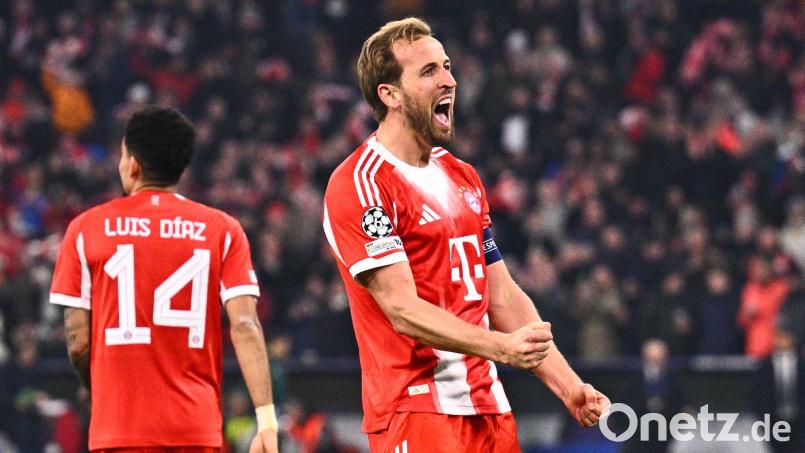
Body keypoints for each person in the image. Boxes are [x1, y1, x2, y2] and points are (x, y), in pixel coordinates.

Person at [322, 18, 610, 452]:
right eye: (429, 71)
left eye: (447, 66)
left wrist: (568, 385)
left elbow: (503, 296)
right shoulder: (362, 184)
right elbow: (401, 309)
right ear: (390, 94)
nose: (450, 81)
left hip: (489, 410)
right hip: (416, 412)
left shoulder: (462, 177)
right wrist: (501, 348)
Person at [49, 106, 279, 453]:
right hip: (194, 430)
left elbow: (78, 340)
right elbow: (245, 325)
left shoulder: (85, 229)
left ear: (133, 164)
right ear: (181, 167)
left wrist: (100, 392)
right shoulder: (222, 230)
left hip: (118, 430)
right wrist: (266, 420)